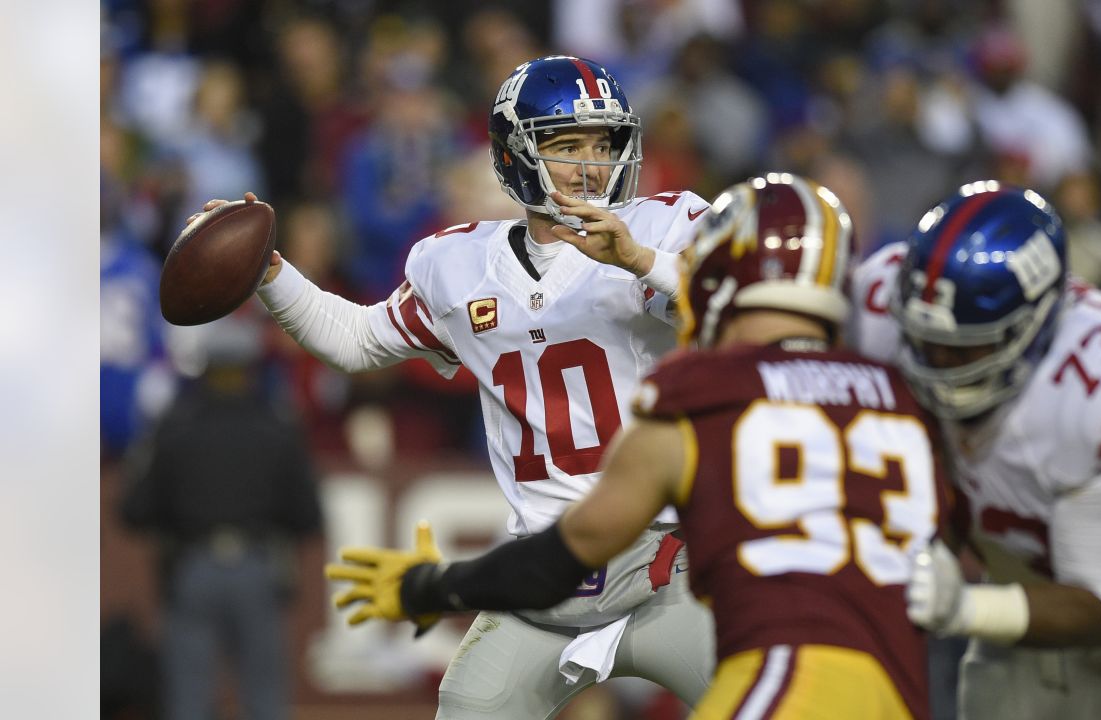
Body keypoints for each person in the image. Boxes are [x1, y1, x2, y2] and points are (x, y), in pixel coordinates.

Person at [192, 55, 715, 717]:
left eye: (603, 143)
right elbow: (358, 341)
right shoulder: (460, 264)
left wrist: (639, 260)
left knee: (792, 700)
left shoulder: (667, 227)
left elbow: (746, 299)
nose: (591, 164)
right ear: (515, 158)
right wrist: (270, 275)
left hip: (675, 563)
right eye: (565, 144)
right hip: (546, 578)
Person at [324, 174, 952, 719]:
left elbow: (574, 551)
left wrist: (435, 586)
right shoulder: (894, 393)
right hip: (893, 675)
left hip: (770, 666)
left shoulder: (701, 393)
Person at [851, 181, 1101, 719]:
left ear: (1040, 321)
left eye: (964, 347)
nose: (938, 365)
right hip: (1020, 554)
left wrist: (966, 606)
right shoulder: (876, 298)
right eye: (927, 341)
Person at [121, 314, 324, 720]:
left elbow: (135, 510)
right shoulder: (277, 429)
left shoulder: (176, 427)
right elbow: (307, 516)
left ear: (205, 369)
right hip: (257, 568)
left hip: (192, 568)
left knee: (189, 703)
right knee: (265, 703)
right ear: (251, 368)